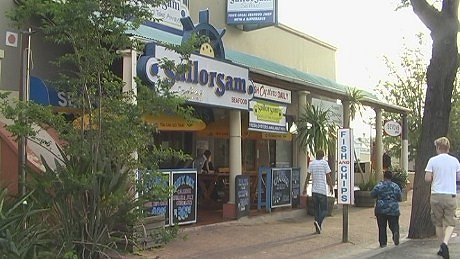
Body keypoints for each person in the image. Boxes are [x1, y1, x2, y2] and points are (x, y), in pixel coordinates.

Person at [425, 137, 460, 259]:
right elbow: (458, 177)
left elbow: (427, 178)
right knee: (450, 222)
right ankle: (445, 243)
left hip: (436, 195)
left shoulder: (432, 161)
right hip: (450, 194)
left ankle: (441, 246)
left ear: (438, 148)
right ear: (448, 148)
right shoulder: (455, 161)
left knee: (438, 222)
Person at [302, 149, 334, 234]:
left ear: (316, 155)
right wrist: (331, 187)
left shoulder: (312, 163)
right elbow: (328, 176)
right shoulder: (324, 163)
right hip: (322, 190)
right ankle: (318, 222)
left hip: (314, 191)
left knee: (316, 210)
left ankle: (318, 228)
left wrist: (305, 188)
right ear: (323, 156)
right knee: (324, 210)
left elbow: (308, 177)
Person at [370, 170, 401, 248]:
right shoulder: (395, 186)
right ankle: (395, 232)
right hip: (393, 209)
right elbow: (400, 198)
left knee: (382, 227)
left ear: (384, 176)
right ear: (391, 177)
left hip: (381, 209)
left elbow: (372, 194)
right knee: (394, 224)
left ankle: (383, 243)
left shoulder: (379, 185)